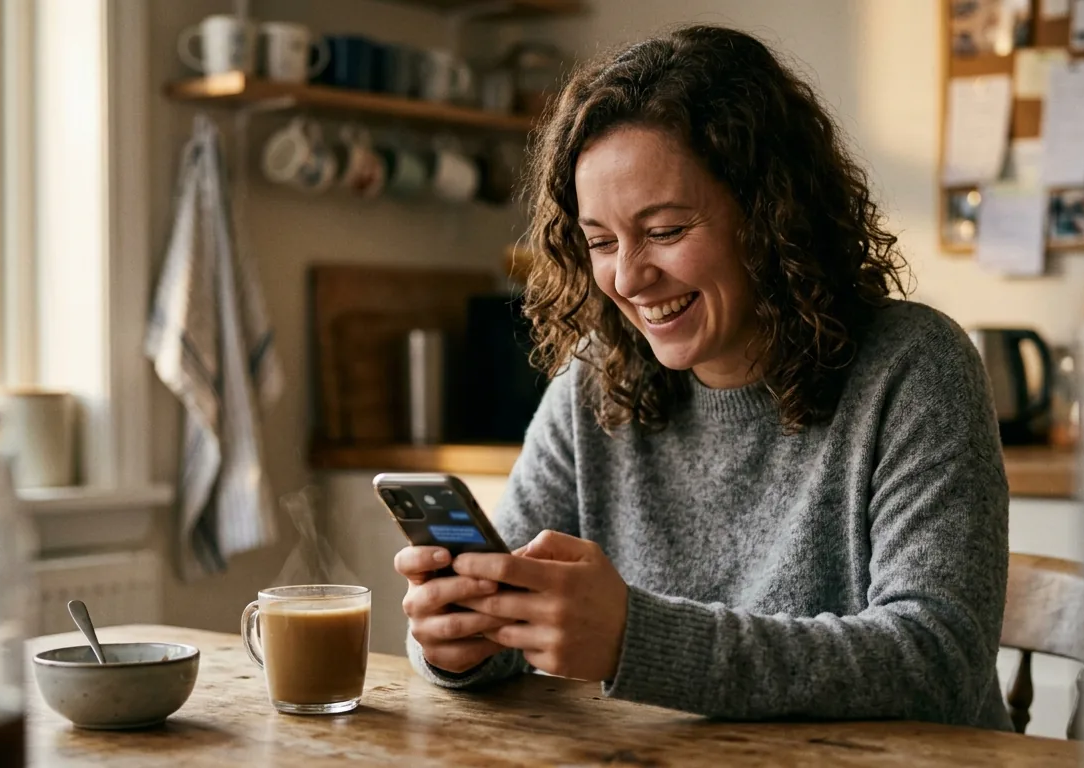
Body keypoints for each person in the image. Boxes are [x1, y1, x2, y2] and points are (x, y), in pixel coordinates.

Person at [394, 24, 1011, 729]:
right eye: (600, 241)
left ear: (772, 215)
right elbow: (507, 612)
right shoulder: (596, 383)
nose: (627, 277)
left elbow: (937, 663)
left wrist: (635, 639)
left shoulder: (913, 368)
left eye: (664, 231)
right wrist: (459, 641)